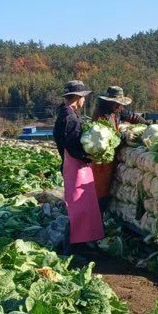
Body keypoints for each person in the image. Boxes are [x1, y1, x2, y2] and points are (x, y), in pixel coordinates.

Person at [53, 80, 105, 253]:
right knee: (78, 208)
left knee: (80, 207)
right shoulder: (69, 117)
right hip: (75, 164)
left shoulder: (67, 113)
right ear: (78, 97)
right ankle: (72, 249)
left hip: (73, 163)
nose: (84, 101)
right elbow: (71, 144)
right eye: (84, 98)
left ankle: (79, 244)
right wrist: (87, 156)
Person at [91, 86, 146, 213]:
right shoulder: (100, 114)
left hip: (112, 156)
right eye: (117, 103)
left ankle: (100, 216)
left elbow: (132, 116)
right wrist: (124, 135)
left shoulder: (116, 110)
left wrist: (147, 124)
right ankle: (96, 218)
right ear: (109, 101)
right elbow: (105, 134)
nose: (120, 106)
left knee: (107, 187)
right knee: (100, 189)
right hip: (102, 159)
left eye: (120, 104)